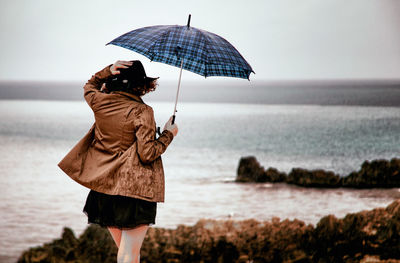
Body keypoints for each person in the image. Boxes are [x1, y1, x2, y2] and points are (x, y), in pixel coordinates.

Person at [58, 60, 178, 263]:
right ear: (142, 84)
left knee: (126, 253)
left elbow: (89, 87)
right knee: (129, 255)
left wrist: (106, 71)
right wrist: (168, 134)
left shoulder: (99, 101)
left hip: (104, 189)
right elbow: (147, 153)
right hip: (133, 192)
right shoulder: (143, 111)